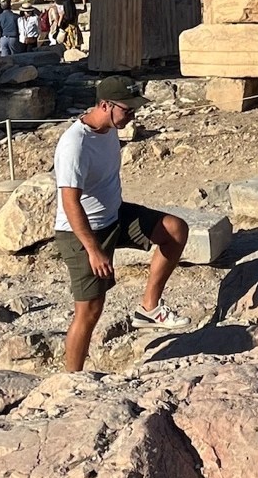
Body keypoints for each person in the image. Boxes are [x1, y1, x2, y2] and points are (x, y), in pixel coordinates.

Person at [54, 77, 191, 371]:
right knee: (90, 310)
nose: (133, 116)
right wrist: (93, 249)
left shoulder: (109, 129)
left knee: (175, 230)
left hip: (115, 216)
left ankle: (149, 308)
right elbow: (69, 203)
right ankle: (71, 379)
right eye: (128, 111)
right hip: (81, 231)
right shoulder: (74, 145)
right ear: (105, 105)